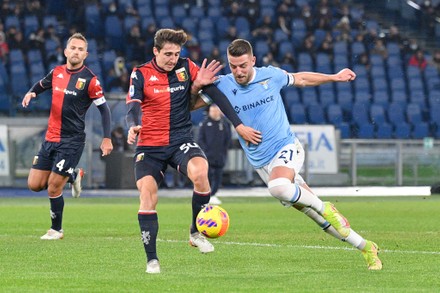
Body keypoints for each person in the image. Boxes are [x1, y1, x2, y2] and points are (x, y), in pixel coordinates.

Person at [211, 39, 382, 270]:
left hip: (286, 147)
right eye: (233, 66)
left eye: (243, 65)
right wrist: (195, 86)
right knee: (316, 217)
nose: (238, 71)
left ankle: (326, 207)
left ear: (253, 60)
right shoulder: (223, 85)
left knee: (279, 187)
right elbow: (192, 104)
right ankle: (366, 247)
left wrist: (333, 76)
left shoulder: (270, 76)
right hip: (261, 163)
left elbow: (301, 78)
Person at [125, 29, 261, 274]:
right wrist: (133, 125)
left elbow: (215, 94)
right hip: (149, 145)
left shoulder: (187, 67)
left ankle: (195, 232)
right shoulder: (141, 73)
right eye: (167, 54)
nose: (172, 58)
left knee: (200, 171)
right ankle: (152, 259)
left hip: (179, 140)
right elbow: (133, 105)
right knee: (147, 194)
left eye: (176, 53)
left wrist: (238, 125)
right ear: (155, 51)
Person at [21, 32, 113, 240]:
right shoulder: (56, 73)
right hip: (50, 138)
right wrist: (31, 92)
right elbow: (41, 85)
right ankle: (73, 175)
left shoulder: (90, 80)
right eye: (73, 48)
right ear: (65, 51)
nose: (76, 52)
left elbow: (105, 110)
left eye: (81, 49)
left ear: (86, 54)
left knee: (53, 187)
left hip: (71, 141)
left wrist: (107, 138)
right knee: (34, 185)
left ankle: (56, 229)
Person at [197, 104, 232, 205]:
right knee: (207, 175)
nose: (215, 113)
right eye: (212, 111)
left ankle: (214, 194)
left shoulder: (225, 124)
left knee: (218, 175)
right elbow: (200, 139)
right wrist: (204, 151)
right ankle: (206, 195)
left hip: (220, 154)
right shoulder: (204, 123)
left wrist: (224, 150)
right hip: (207, 155)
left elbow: (228, 139)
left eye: (216, 110)